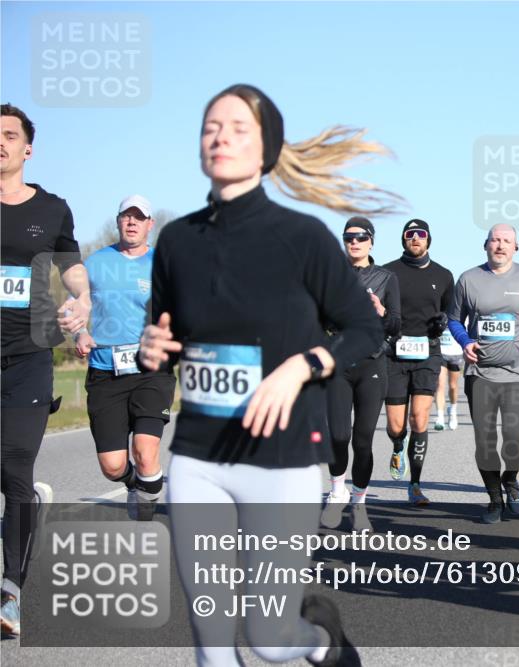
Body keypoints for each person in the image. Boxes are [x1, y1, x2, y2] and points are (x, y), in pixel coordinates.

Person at [138, 83, 386, 665]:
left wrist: (302, 367)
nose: (220, 136)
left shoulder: (302, 238)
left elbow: (363, 331)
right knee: (213, 651)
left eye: (237, 128)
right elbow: (170, 337)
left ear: (267, 148)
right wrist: (157, 347)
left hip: (283, 461)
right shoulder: (176, 240)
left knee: (270, 642)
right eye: (210, 126)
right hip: (199, 457)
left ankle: (323, 641)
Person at [1, 103, 91, 636]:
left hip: (28, 355)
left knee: (14, 469)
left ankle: (10, 591)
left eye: (10, 135)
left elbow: (72, 268)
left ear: (27, 148)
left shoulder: (52, 208)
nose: (1, 142)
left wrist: (82, 302)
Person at [74, 194, 176, 522]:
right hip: (105, 372)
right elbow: (77, 307)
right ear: (118, 222)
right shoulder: (95, 262)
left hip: (151, 370)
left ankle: (149, 494)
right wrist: (80, 333)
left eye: (138, 217)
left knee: (146, 454)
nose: (131, 222)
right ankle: (135, 484)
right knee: (113, 466)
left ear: (150, 224)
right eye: (125, 216)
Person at [447, 224, 519, 523]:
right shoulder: (469, 279)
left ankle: (511, 478)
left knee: (515, 437)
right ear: (485, 245)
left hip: (517, 372)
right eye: (495, 240)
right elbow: (454, 319)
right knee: (485, 440)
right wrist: (465, 341)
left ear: (515, 247)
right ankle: (495, 499)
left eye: (506, 241)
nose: (500, 245)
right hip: (480, 373)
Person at [321, 216, 400, 534]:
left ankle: (360, 502)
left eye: (360, 237)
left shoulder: (386, 278)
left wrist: (381, 313)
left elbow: (397, 323)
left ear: (371, 241)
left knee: (363, 440)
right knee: (339, 435)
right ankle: (337, 489)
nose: (354, 242)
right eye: (348, 237)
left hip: (372, 364)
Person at [382, 219, 455, 504]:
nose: (415, 238)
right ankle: (398, 445)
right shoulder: (387, 272)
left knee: (419, 418)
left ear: (428, 240)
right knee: (396, 425)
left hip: (428, 352)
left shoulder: (444, 275)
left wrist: (444, 321)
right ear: (403, 239)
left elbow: (451, 312)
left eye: (420, 234)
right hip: (394, 354)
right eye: (409, 234)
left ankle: (415, 484)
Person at [435, 320, 463, 431]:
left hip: (456, 354)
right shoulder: (439, 313)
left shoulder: (459, 314)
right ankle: (440, 417)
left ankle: (452, 411)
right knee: (440, 385)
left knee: (453, 386)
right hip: (441, 354)